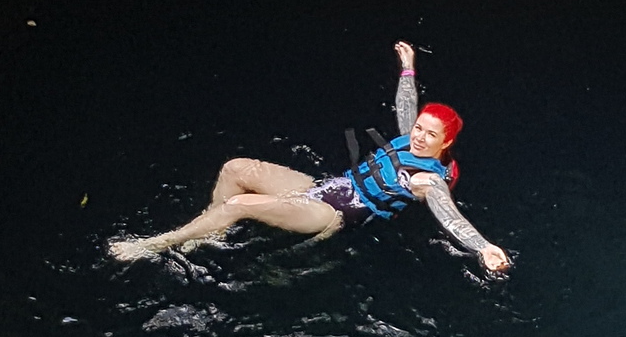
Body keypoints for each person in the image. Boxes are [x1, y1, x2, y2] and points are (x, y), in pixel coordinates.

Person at [109, 41, 511, 273]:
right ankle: (211, 231)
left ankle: (155, 244)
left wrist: (482, 247)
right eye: (420, 129)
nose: (420, 137)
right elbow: (406, 104)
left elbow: (450, 216)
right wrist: (408, 68)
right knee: (236, 168)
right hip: (327, 188)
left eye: (430, 135)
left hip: (333, 215)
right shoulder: (409, 136)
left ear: (445, 144)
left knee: (240, 203)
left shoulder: (429, 180)